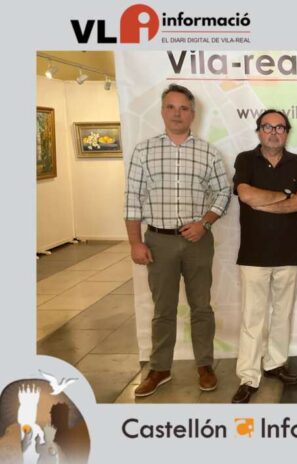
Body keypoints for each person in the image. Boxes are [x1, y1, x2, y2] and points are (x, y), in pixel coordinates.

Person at [124, 84, 231, 397]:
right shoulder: (144, 151)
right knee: (163, 309)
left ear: (193, 114)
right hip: (158, 241)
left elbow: (223, 192)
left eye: (183, 108)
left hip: (198, 241)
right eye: (171, 107)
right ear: (162, 111)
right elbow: (132, 199)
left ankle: (205, 365)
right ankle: (160, 368)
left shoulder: (208, 152)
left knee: (201, 307)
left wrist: (204, 223)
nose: (177, 114)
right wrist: (135, 242)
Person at [231, 109, 297, 403]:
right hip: (253, 254)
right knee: (252, 318)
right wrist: (286, 195)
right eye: (268, 127)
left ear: (286, 132)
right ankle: (248, 377)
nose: (274, 132)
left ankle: (275, 364)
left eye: (280, 127)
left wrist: (265, 201)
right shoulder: (245, 159)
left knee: (282, 315)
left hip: (289, 252)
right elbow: (246, 195)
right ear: (259, 131)